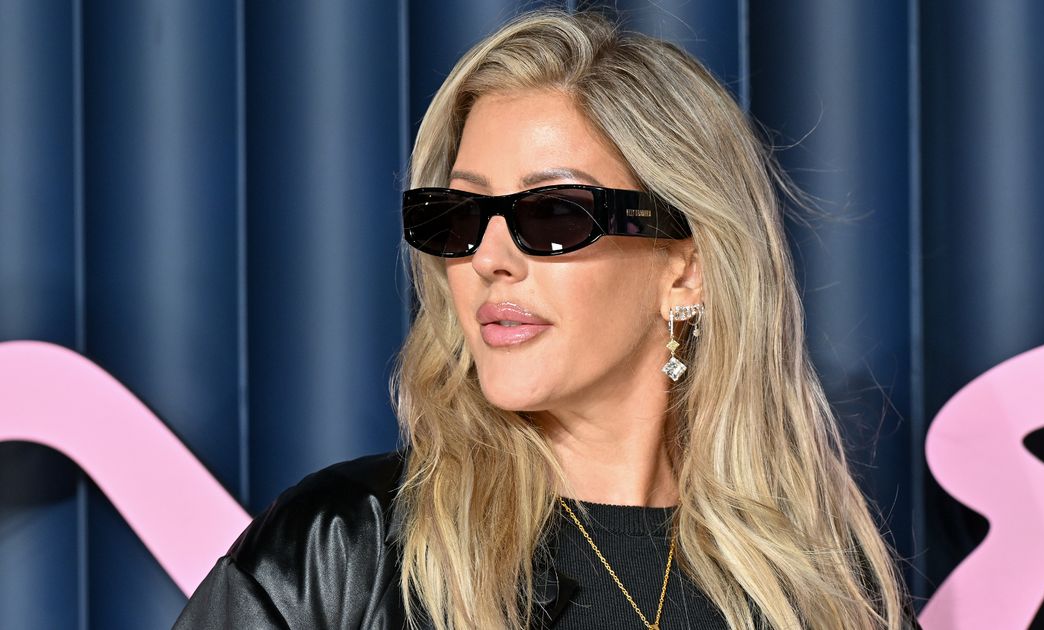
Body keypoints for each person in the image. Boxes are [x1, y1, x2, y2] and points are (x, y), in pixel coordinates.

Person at [175, 9, 920, 630]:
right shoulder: (342, 552)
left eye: (554, 215)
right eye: (459, 214)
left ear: (684, 267)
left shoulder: (819, 593)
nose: (489, 257)